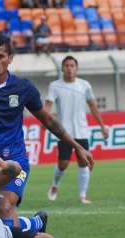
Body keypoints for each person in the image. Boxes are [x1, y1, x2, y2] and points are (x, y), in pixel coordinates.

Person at [0, 33, 94, 233]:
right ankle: (34, 224)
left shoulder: (23, 88)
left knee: (4, 207)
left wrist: (77, 147)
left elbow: (48, 120)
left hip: (14, 162)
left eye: (0, 56)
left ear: (10, 58)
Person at [45, 55, 109, 204]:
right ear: (62, 68)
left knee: (83, 163)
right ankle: (55, 185)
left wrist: (102, 125)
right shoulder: (55, 85)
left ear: (76, 68)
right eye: (66, 65)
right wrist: (44, 119)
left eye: (72, 65)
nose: (69, 68)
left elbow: (92, 106)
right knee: (63, 163)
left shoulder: (84, 85)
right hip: (63, 132)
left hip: (82, 131)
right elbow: (48, 104)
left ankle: (82, 195)